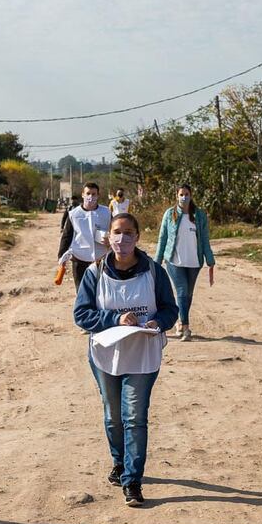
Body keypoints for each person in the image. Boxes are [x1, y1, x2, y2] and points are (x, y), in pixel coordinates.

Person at [74, 213, 178, 507]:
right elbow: (81, 315)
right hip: (105, 354)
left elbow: (171, 310)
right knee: (113, 415)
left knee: (134, 417)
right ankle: (119, 463)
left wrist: (158, 323)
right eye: (117, 232)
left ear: (138, 236)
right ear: (108, 237)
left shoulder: (154, 272)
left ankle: (132, 480)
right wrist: (115, 318)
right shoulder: (95, 272)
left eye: (128, 232)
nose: (122, 238)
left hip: (143, 354)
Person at [154, 184, 215, 341]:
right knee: (181, 291)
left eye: (187, 194)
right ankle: (186, 328)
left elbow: (205, 239)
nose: (184, 197)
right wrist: (157, 261)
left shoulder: (199, 215)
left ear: (191, 195)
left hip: (194, 261)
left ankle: (180, 322)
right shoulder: (170, 214)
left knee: (188, 294)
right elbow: (163, 238)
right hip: (174, 261)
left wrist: (210, 259)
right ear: (176, 196)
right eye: (181, 194)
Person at [58, 183, 111, 290]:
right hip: (79, 258)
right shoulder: (74, 214)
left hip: (100, 258)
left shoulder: (106, 212)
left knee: (101, 290)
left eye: (93, 194)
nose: (90, 197)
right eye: (88, 193)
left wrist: (111, 240)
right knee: (81, 290)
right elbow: (67, 236)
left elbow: (116, 230)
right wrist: (61, 256)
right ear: (83, 194)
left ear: (98, 195)